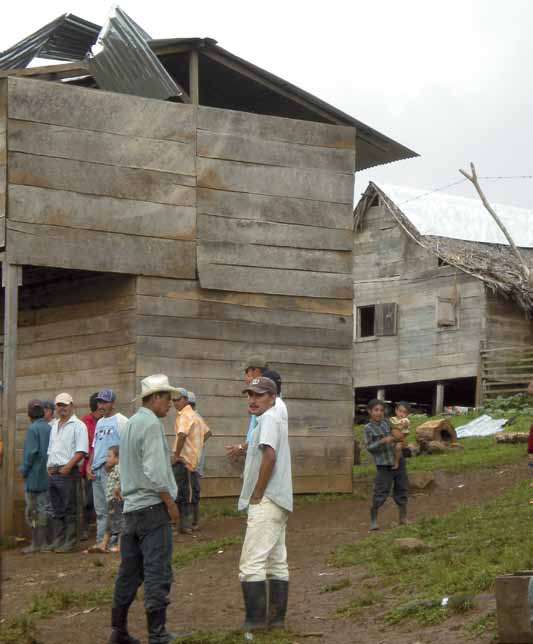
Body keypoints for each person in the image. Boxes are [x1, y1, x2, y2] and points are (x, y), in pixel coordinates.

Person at [109, 374, 179, 644]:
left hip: (131, 511)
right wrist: (170, 503)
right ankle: (157, 633)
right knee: (157, 571)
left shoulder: (130, 423)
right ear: (157, 397)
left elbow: (127, 464)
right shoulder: (151, 424)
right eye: (169, 399)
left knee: (129, 572)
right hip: (152, 509)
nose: (171, 405)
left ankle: (119, 631)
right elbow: (154, 470)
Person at [238, 377, 292, 632]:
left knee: (251, 563)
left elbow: (268, 455)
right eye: (250, 394)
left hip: (268, 498)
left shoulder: (270, 417)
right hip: (279, 498)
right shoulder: (273, 418)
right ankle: (276, 619)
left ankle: (255, 621)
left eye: (259, 395)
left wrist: (257, 493)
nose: (253, 399)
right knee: (276, 560)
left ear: (272, 397)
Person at [46, 393, 89, 553]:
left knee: (70, 508)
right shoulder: (54, 426)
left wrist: (68, 467)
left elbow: (81, 450)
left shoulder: (78, 425)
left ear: (72, 405)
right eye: (59, 405)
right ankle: (59, 539)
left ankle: (70, 541)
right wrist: (48, 466)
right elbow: (51, 449)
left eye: (64, 405)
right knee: (57, 508)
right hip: (54, 471)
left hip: (68, 471)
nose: (62, 408)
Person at [87, 389, 128, 553]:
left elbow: (127, 446)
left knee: (114, 507)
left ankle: (113, 542)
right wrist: (89, 466)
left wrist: (116, 468)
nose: (101, 405)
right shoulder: (100, 422)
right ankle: (100, 542)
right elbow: (94, 447)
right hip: (97, 469)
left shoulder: (121, 421)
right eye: (100, 402)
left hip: (111, 470)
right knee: (101, 510)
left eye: (105, 402)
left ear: (113, 403)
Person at [364, 399, 409, 531]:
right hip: (384, 465)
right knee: (381, 493)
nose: (379, 413)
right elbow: (369, 448)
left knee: (402, 489)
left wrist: (399, 437)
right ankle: (373, 520)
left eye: (381, 410)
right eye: (376, 410)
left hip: (399, 461)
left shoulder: (388, 423)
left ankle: (403, 518)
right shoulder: (368, 428)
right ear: (370, 412)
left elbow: (399, 435)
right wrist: (382, 441)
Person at [172, 389, 211, 535]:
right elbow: (207, 432)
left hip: (184, 460)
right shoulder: (195, 415)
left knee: (183, 492)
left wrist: (177, 454)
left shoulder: (185, 415)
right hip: (191, 460)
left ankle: (184, 525)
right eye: (173, 400)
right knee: (188, 491)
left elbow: (182, 435)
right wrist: (196, 446)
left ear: (185, 400)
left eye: (177, 399)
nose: (174, 403)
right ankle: (188, 523)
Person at [19, 400, 52, 554]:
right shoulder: (49, 427)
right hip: (47, 475)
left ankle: (35, 543)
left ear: (29, 414)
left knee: (32, 510)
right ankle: (45, 543)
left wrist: (24, 469)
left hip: (33, 477)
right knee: (44, 509)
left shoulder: (33, 429)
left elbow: (31, 452)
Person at [81, 392, 103, 541]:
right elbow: (86, 444)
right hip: (89, 466)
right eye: (101, 402)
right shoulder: (85, 422)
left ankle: (102, 528)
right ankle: (87, 527)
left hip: (105, 464)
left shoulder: (106, 420)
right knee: (89, 499)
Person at [96, 446, 124, 554]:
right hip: (112, 500)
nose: (106, 458)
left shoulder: (119, 467)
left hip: (117, 500)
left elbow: (122, 479)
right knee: (110, 522)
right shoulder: (114, 468)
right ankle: (103, 544)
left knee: (120, 522)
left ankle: (119, 545)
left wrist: (117, 488)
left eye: (109, 456)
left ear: (117, 458)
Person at [389, 402, 411, 471]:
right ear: (396, 410)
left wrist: (401, 425)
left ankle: (396, 462)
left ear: (407, 414)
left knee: (398, 447)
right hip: (392, 436)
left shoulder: (405, 420)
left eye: (404, 412)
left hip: (401, 437)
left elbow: (404, 427)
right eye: (400, 411)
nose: (401, 414)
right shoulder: (392, 419)